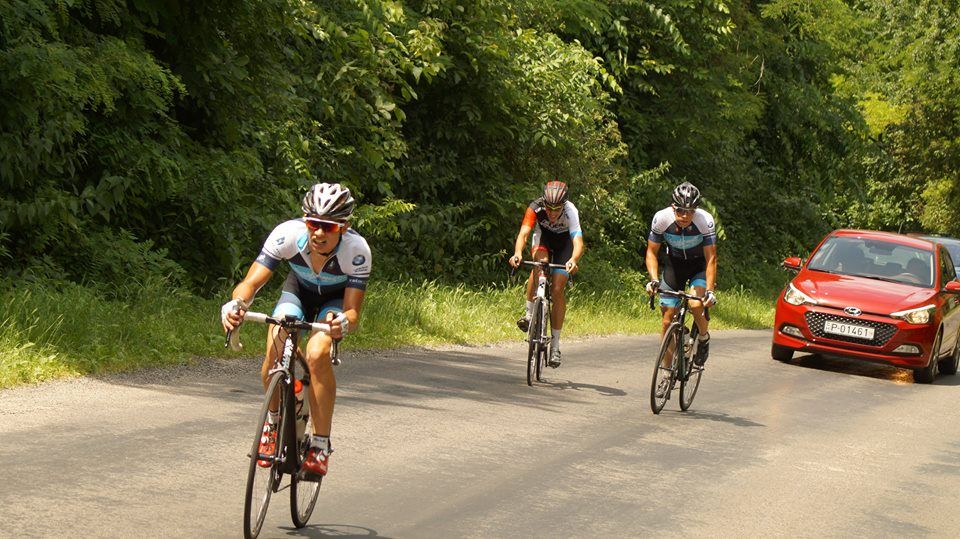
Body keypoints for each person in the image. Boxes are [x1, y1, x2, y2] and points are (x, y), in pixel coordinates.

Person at [221, 183, 371, 479]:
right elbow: (250, 283)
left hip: (333, 301)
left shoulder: (357, 251)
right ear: (305, 221)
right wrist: (236, 302)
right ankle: (273, 422)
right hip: (298, 292)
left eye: (328, 227)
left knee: (317, 354)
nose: (319, 233)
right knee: (276, 344)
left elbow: (352, 312)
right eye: (314, 224)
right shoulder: (287, 235)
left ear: (343, 227)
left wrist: (343, 323)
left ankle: (320, 445)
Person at [645, 181, 717, 393]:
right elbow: (651, 252)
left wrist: (710, 291)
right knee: (667, 321)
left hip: (698, 268)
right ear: (672, 207)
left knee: (696, 305)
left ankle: (703, 337)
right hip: (674, 266)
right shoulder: (662, 219)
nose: (685, 216)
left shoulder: (705, 221)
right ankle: (666, 374)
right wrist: (653, 279)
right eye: (680, 210)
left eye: (690, 211)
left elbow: (711, 258)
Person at [509, 180, 584, 367]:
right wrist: (517, 253)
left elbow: (578, 242)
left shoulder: (571, 211)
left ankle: (556, 346)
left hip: (564, 244)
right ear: (543, 202)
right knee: (539, 265)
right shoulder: (535, 207)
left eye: (556, 209)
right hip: (544, 239)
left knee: (558, 288)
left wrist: (573, 260)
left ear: (563, 205)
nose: (551, 213)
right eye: (548, 209)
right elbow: (524, 234)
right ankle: (528, 315)